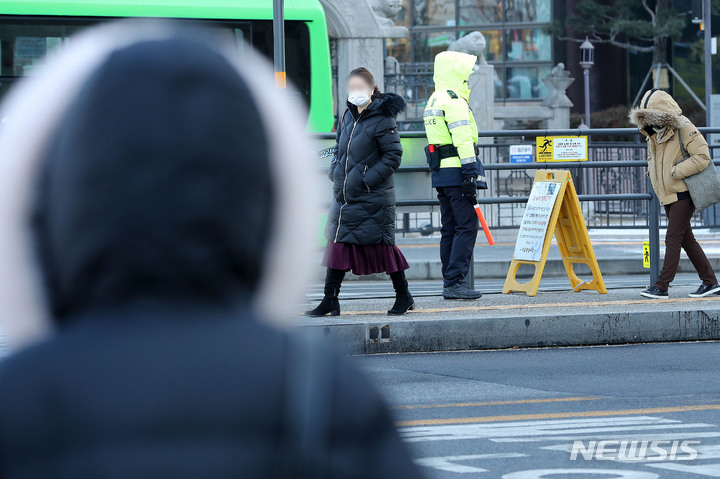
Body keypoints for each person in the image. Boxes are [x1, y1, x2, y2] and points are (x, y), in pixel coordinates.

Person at [0, 23, 423, 478]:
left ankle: (372, 296)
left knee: (369, 250)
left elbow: (386, 157)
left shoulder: (18, 397)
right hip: (349, 204)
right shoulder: (326, 397)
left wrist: (357, 179)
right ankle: (342, 298)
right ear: (268, 204)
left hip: (361, 199)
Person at [306, 68, 414, 317]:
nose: (355, 91)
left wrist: (366, 180)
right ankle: (330, 300)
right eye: (351, 87)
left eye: (360, 86)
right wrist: (335, 173)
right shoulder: (347, 116)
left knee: (383, 248)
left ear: (371, 87)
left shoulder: (383, 118)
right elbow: (339, 150)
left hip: (371, 196)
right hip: (345, 196)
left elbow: (393, 156)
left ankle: (404, 295)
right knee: (336, 246)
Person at [629, 89, 720, 299]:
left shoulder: (684, 128)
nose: (648, 123)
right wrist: (654, 172)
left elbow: (702, 156)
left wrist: (675, 172)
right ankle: (710, 282)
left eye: (652, 117)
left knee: (673, 237)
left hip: (684, 190)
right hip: (668, 191)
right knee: (687, 239)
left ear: (663, 115)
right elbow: (652, 159)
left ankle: (662, 286)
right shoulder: (653, 132)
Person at [423, 51, 484, 300]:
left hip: (441, 174)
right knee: (467, 226)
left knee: (449, 228)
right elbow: (463, 139)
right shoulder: (454, 101)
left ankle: (449, 280)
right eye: (467, 73)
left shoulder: (434, 100)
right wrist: (470, 173)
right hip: (459, 171)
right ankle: (455, 282)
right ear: (457, 73)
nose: (469, 77)